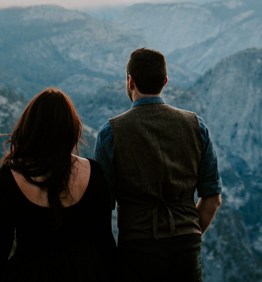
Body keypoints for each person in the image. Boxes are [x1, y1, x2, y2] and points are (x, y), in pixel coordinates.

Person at [94, 48, 222, 282]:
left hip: (137, 249)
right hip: (186, 247)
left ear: (130, 81)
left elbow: (102, 209)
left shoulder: (110, 134)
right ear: (165, 81)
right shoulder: (196, 126)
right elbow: (212, 198)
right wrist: (189, 234)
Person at [0, 88, 117, 282]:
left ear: (31, 126)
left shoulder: (11, 175)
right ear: (71, 127)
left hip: (28, 272)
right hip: (84, 272)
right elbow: (104, 241)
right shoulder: (93, 172)